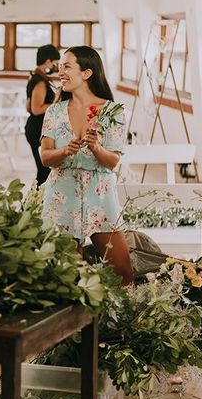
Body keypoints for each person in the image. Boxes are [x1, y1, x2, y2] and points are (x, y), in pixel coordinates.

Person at [40, 46, 133, 285]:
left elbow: (113, 161)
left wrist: (96, 149)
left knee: (122, 271)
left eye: (67, 66)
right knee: (65, 274)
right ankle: (77, 322)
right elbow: (45, 157)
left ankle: (119, 321)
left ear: (87, 73)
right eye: (59, 66)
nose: (60, 71)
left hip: (100, 195)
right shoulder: (54, 111)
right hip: (62, 194)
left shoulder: (113, 112)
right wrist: (64, 151)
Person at [25, 44, 60, 187]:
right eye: (55, 63)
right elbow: (35, 109)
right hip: (36, 130)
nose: (56, 66)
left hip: (36, 127)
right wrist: (57, 104)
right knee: (43, 172)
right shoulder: (40, 81)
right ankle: (31, 205)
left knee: (43, 171)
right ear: (48, 61)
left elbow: (27, 105)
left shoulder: (35, 76)